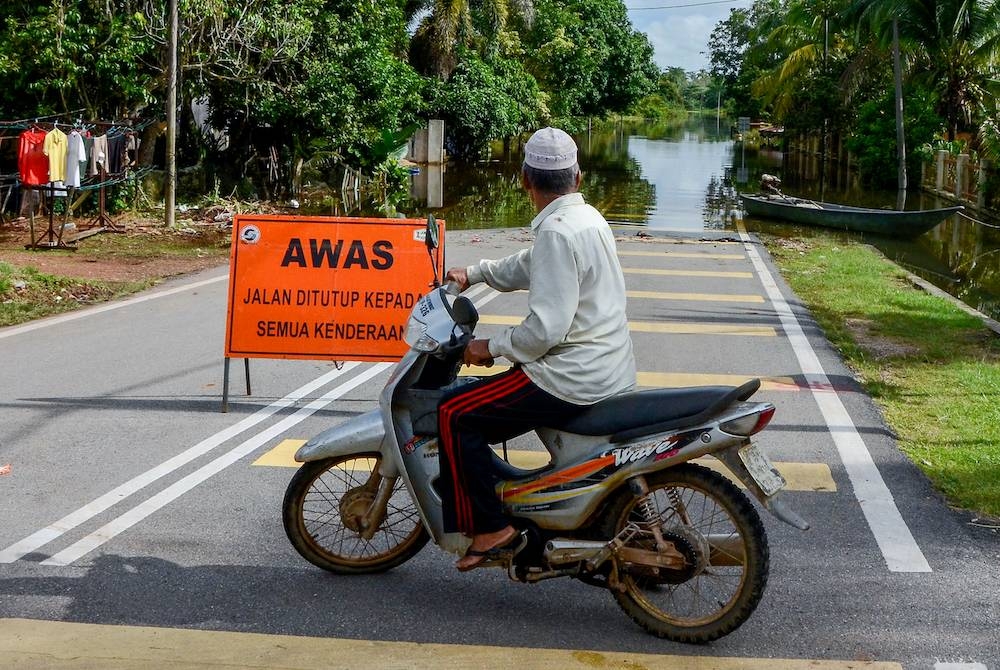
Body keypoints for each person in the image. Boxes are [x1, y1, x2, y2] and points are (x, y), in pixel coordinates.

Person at [439, 127, 637, 571]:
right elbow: (532, 265)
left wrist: (489, 346)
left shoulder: (557, 233)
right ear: (578, 178)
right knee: (473, 408)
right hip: (608, 366)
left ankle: (489, 527)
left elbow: (544, 330)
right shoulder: (587, 220)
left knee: (454, 414)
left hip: (568, 378)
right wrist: (476, 272)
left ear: (525, 180)